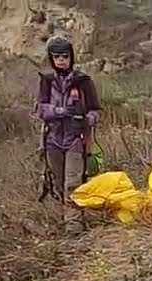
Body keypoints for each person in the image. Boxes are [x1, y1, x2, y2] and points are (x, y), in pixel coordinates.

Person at [34, 35, 100, 236]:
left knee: (73, 183)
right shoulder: (47, 81)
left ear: (71, 57)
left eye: (65, 56)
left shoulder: (83, 81)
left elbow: (95, 110)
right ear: (51, 58)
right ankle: (66, 220)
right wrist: (60, 112)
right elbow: (40, 109)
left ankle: (74, 228)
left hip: (75, 139)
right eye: (57, 57)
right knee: (58, 182)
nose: (61, 60)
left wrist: (86, 119)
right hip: (53, 139)